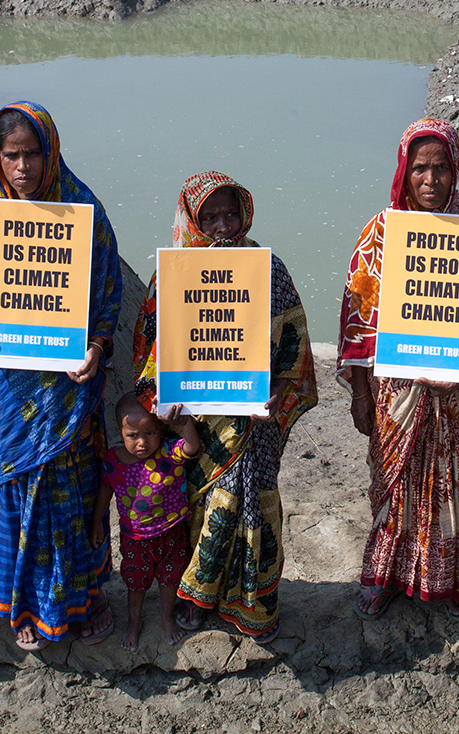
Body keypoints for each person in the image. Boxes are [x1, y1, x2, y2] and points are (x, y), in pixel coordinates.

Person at [341, 119, 459, 620]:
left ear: (457, 170)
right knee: (395, 483)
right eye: (420, 169)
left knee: (457, 481)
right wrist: (362, 394)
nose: (430, 181)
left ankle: (452, 582)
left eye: (441, 169)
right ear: (404, 172)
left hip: (456, 391)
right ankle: (385, 577)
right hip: (398, 390)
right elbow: (358, 321)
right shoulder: (381, 233)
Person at [0, 102, 122, 650]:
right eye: (11, 156)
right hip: (12, 382)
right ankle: (25, 599)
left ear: (50, 152)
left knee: (73, 487)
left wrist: (98, 345)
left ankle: (84, 597)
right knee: (23, 488)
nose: (22, 168)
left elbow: (107, 294)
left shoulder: (82, 209)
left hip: (68, 384)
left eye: (31, 154)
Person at [133, 171, 317, 644]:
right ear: (192, 219)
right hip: (197, 422)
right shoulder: (172, 274)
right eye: (209, 215)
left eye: (229, 213)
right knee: (205, 508)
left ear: (245, 213)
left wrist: (277, 389)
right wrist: (165, 404)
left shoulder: (268, 269)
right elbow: (149, 349)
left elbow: (293, 337)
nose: (221, 225)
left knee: (251, 504)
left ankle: (252, 605)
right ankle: (197, 599)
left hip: (254, 421)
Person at [92, 397, 202, 650]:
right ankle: (134, 621)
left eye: (150, 432)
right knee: (136, 583)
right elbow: (105, 490)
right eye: (132, 435)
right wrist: (97, 520)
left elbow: (192, 446)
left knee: (170, 579)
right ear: (120, 432)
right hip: (135, 538)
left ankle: (166, 617)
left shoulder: (169, 452)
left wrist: (184, 422)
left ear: (161, 429)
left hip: (172, 533)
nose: (142, 442)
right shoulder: (113, 459)